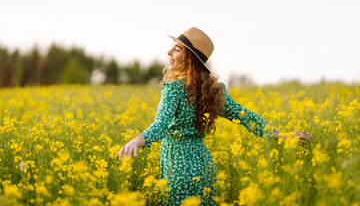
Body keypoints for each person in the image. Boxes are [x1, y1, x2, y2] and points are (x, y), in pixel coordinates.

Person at [117, 27, 313, 205]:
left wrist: (137, 140)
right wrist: (279, 134)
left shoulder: (173, 89)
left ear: (190, 59)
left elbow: (160, 125)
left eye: (177, 49)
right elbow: (244, 116)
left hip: (178, 171)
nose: (169, 52)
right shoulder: (213, 90)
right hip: (204, 169)